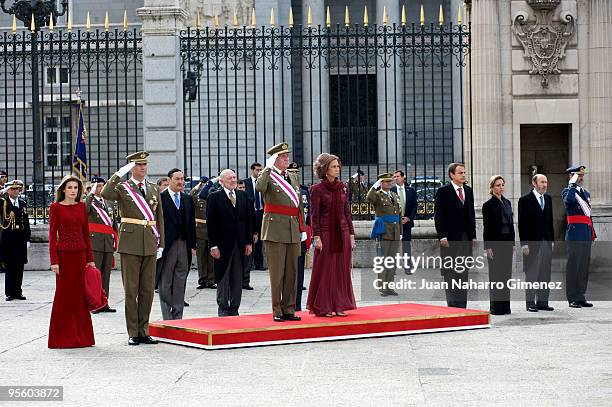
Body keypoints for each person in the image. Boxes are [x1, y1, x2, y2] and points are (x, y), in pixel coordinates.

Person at [101, 151, 165, 346]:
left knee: (147, 290)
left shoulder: (153, 188)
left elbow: (159, 218)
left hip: (150, 241)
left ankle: (144, 330)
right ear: (131, 167)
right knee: (131, 290)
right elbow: (105, 194)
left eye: (145, 164)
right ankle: (133, 331)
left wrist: (161, 243)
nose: (143, 168)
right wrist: (119, 174)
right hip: (130, 243)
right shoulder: (122, 188)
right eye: (138, 165)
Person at [256, 142, 306, 322]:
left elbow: (298, 203)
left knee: (292, 272)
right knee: (277, 273)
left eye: (287, 156)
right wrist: (267, 169)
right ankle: (277, 310)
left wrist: (303, 226)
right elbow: (259, 189)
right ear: (274, 159)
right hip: (274, 229)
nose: (287, 159)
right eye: (283, 157)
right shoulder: (267, 176)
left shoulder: (292, 176)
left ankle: (289, 309)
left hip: (293, 228)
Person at [48, 175, 96, 348]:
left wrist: (90, 259)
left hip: (80, 256)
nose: (73, 191)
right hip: (64, 257)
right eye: (70, 188)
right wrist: (54, 261)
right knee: (64, 295)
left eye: (76, 188)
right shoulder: (55, 208)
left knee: (80, 296)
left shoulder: (82, 207)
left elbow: (86, 234)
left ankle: (82, 338)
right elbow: (52, 237)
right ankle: (61, 338)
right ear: (63, 190)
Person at [307, 154, 356, 316]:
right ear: (325, 169)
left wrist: (351, 235)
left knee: (341, 271)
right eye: (334, 166)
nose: (337, 169)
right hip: (326, 234)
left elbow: (347, 213)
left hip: (342, 233)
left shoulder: (343, 188)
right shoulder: (316, 190)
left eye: (338, 166)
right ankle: (324, 306)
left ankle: (339, 305)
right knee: (326, 270)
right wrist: (317, 237)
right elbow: (314, 216)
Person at [207, 169, 253, 316]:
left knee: (237, 277)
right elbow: (211, 223)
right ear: (221, 182)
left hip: (239, 244)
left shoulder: (243, 195)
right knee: (223, 276)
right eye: (229, 178)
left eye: (234, 177)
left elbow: (248, 220)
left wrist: (248, 242)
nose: (233, 180)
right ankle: (223, 308)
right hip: (222, 245)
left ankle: (234, 308)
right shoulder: (214, 197)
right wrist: (213, 245)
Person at [434, 163, 476, 308]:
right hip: (450, 239)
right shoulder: (443, 191)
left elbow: (471, 215)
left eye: (464, 172)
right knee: (450, 272)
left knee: (463, 271)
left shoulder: (469, 191)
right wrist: (442, 236)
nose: (464, 175)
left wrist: (473, 236)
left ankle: (462, 304)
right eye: (460, 173)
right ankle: (452, 305)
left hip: (465, 238)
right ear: (452, 175)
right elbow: (438, 216)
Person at [158, 169, 196, 320]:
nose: (181, 182)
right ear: (170, 180)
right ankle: (167, 316)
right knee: (166, 281)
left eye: (182, 179)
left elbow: (191, 223)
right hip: (168, 246)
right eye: (177, 179)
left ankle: (178, 316)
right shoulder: (161, 198)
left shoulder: (187, 199)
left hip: (184, 244)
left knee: (181, 280)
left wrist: (193, 245)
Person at [518, 174, 555, 312]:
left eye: (546, 182)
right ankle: (530, 303)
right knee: (532, 273)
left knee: (545, 273)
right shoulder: (525, 200)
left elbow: (550, 222)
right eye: (542, 182)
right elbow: (522, 224)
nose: (545, 185)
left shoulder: (548, 199)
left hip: (546, 242)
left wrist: (551, 240)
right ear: (534, 183)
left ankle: (542, 302)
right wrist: (524, 244)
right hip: (532, 243)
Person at [562, 165, 595, 308]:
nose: (581, 178)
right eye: (578, 175)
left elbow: (588, 216)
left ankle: (581, 295)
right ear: (572, 176)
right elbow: (569, 201)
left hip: (586, 234)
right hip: (575, 234)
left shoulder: (586, 193)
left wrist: (592, 234)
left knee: (583, 267)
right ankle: (572, 298)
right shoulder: (567, 192)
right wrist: (572, 185)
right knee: (574, 267)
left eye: (582, 176)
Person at [482, 175, 515, 315]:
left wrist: (513, 244)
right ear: (492, 187)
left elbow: (511, 224)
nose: (500, 187)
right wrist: (487, 246)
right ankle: (496, 307)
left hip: (507, 242)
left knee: (506, 275)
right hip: (495, 243)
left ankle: (505, 307)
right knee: (496, 275)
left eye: (502, 185)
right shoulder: (488, 205)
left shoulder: (507, 202)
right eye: (497, 185)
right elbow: (487, 227)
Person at [85, 176, 117, 313]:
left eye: (102, 185)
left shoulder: (108, 203)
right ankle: (95, 303)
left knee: (105, 275)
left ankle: (104, 302)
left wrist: (116, 239)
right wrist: (90, 194)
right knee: (95, 275)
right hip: (95, 242)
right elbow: (84, 211)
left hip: (107, 242)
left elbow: (113, 222)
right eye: (97, 186)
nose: (100, 188)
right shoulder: (88, 202)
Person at [367, 173, 401, 296]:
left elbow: (399, 215)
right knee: (383, 260)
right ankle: (382, 287)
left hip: (395, 232)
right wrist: (375, 186)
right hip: (384, 231)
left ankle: (390, 286)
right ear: (381, 183)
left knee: (392, 261)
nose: (389, 183)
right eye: (386, 182)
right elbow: (368, 198)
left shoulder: (394, 195)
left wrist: (400, 232)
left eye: (390, 181)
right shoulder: (377, 195)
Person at [1, 180, 31, 301]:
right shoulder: (3, 203)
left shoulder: (23, 203)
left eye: (17, 189)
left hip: (20, 238)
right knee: (9, 266)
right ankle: (9, 293)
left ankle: (18, 291)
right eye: (13, 189)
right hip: (8, 237)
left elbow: (26, 222)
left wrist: (28, 238)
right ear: (8, 190)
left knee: (19, 267)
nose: (15, 191)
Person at [287, 162, 311, 311]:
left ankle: (297, 304)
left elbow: (308, 213)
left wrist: (308, 230)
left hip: (300, 233)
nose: (294, 175)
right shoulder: (281, 190)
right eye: (291, 172)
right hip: (285, 233)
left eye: (296, 172)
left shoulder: (303, 191)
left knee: (299, 271)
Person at [190, 176, 216, 290]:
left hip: (211, 230)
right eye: (204, 184)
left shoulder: (214, 196)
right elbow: (190, 196)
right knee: (201, 257)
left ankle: (211, 280)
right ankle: (202, 280)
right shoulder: (198, 198)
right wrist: (198, 186)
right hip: (200, 230)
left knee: (212, 257)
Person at [392, 170, 418, 273]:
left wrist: (409, 218)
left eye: (397, 176)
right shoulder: (392, 190)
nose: (396, 178)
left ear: (403, 177)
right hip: (395, 223)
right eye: (394, 177)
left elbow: (414, 206)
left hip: (407, 222)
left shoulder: (410, 191)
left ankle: (407, 267)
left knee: (406, 245)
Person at [244, 162, 265, 270]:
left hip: (262, 211)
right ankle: (249, 262)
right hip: (251, 212)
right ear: (252, 170)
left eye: (261, 170)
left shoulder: (263, 182)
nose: (259, 172)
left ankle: (259, 263)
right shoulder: (246, 182)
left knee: (260, 238)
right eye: (257, 170)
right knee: (250, 236)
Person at [237, 179, 255, 290]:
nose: (242, 190)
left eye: (244, 187)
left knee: (247, 260)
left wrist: (255, 232)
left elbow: (252, 218)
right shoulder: (232, 200)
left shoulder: (249, 200)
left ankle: (245, 281)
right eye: (240, 188)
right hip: (236, 235)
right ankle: (237, 281)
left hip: (247, 234)